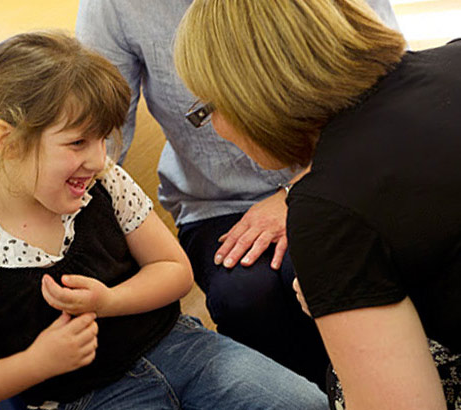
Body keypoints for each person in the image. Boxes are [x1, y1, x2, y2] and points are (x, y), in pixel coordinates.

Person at [0, 31, 328, 410]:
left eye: (102, 139)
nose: (99, 159)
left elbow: (174, 271)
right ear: (6, 140)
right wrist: (38, 361)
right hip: (86, 396)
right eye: (78, 142)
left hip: (180, 347)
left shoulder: (105, 181)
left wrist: (110, 301)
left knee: (307, 403)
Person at [74, 0, 400, 389]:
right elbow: (98, 132)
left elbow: (388, 88)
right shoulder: (114, 7)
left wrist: (297, 191)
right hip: (214, 201)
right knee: (244, 296)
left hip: (333, 173)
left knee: (323, 274)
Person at [174, 0, 461, 409]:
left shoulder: (326, 210)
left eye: (208, 107)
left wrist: (349, 298)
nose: (216, 127)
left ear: (249, 94)